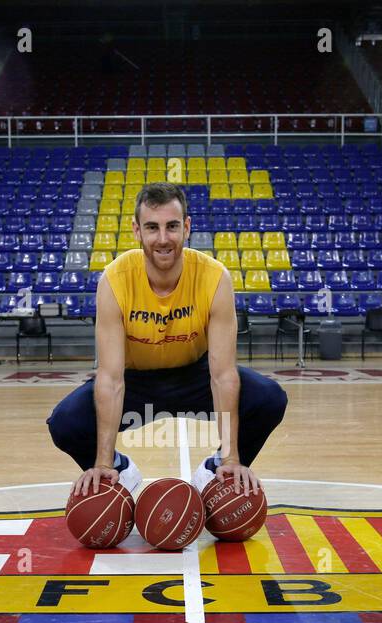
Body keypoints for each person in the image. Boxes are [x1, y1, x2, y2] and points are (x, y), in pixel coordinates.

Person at [47, 181, 288, 499]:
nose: (163, 239)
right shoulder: (114, 280)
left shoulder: (214, 277)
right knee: (65, 422)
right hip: (136, 383)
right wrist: (103, 461)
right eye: (152, 227)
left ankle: (217, 470)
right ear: (136, 231)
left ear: (186, 227)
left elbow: (223, 374)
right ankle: (120, 471)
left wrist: (231, 456)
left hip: (195, 377)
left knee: (269, 398)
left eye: (172, 226)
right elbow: (110, 378)